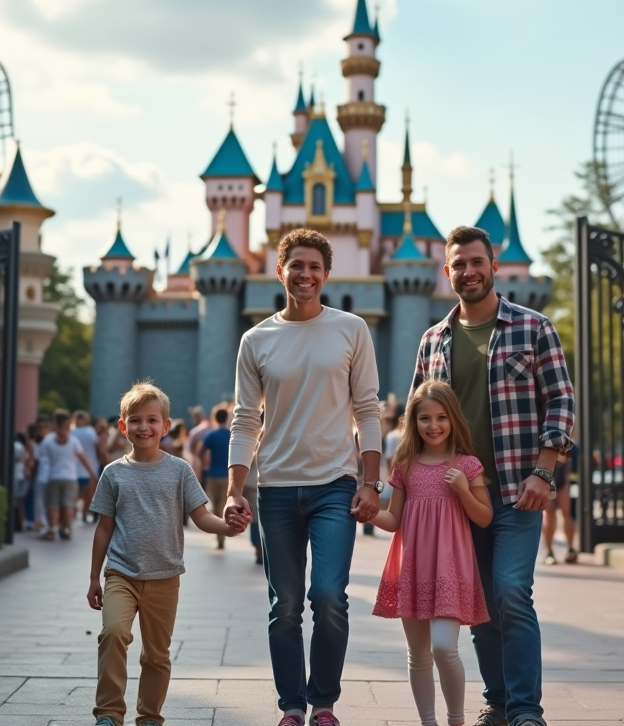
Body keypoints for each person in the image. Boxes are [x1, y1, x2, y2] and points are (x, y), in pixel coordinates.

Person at [410, 226, 575, 726]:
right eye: (459, 264)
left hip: (516, 491)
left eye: (477, 261)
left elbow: (562, 402)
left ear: (494, 265)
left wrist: (543, 472)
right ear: (447, 272)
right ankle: (499, 703)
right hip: (457, 498)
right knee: (478, 605)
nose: (469, 271)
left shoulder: (533, 327)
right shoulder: (433, 340)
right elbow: (417, 415)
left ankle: (526, 710)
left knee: (509, 592)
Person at [225, 228, 383, 726]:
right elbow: (246, 420)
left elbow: (369, 410)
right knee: (285, 604)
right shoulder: (257, 339)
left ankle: (324, 703)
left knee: (330, 596)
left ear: (327, 274)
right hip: (274, 488)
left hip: (335, 484)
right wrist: (234, 490)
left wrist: (370, 482)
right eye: (297, 265)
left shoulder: (351, 329)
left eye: (314, 267)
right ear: (281, 271)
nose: (306, 275)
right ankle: (292, 705)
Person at [88, 381, 248, 726]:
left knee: (157, 655)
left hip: (165, 576)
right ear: (122, 426)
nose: (143, 427)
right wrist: (93, 578)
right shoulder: (113, 473)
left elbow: (202, 516)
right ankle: (109, 713)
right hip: (121, 573)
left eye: (151, 420)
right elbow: (103, 528)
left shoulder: (179, 470)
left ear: (166, 426)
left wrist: (228, 526)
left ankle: (149, 717)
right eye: (135, 420)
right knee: (113, 634)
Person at [371, 381, 492, 726]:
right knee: (418, 654)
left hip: (451, 569)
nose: (434, 425)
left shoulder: (467, 465)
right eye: (425, 418)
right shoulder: (404, 465)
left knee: (444, 647)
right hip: (412, 567)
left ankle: (456, 719)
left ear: (453, 419)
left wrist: (464, 491)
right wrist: (368, 514)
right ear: (413, 421)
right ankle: (428, 721)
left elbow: (484, 517)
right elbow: (393, 519)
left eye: (441, 417)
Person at [36, 408, 96, 541]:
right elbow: (82, 458)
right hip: (70, 477)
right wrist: (92, 473)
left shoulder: (48, 440)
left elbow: (40, 458)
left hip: (53, 476)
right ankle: (67, 528)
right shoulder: (73, 441)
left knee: (53, 504)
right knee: (68, 504)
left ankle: (53, 529)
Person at [200, 407, 232, 549]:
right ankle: (222, 535)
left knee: (214, 505)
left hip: (213, 474)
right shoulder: (231, 435)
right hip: (228, 476)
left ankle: (219, 532)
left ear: (215, 418)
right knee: (224, 504)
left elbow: (201, 452)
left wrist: (205, 465)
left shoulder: (211, 435)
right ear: (227, 418)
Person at [541, 443, 578, 565]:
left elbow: (570, 464)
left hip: (563, 482)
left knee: (566, 513)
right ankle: (549, 552)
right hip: (549, 480)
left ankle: (570, 548)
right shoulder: (546, 440)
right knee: (549, 514)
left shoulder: (571, 446)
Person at [72, 410, 101, 523]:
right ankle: (84, 514)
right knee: (87, 495)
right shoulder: (91, 432)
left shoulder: (71, 432)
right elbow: (97, 447)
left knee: (75, 495)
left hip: (74, 469)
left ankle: (74, 512)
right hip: (90, 467)